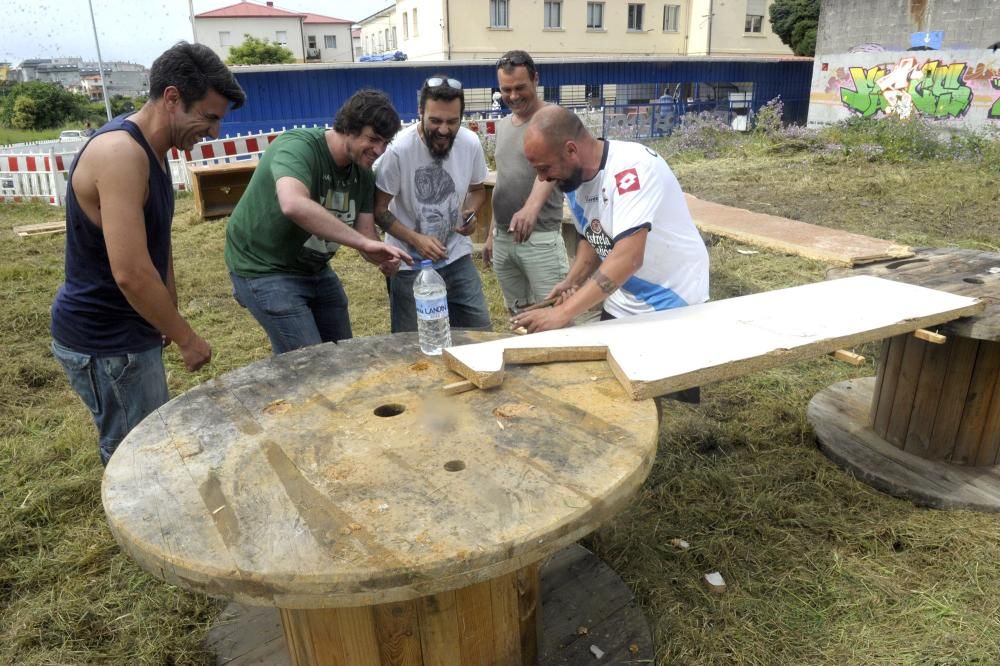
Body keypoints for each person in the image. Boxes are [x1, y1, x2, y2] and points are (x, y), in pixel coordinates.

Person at [50, 42, 246, 466]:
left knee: (153, 444)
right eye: (209, 117)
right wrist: (186, 338)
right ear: (172, 98)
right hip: (105, 341)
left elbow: (157, 246)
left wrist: (166, 312)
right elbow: (132, 273)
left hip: (130, 332)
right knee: (134, 458)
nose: (214, 132)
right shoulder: (120, 154)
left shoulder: (154, 153)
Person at [512, 105, 709, 403]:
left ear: (571, 150)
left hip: (671, 295)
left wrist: (561, 314)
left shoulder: (633, 170)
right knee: (611, 379)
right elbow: (594, 237)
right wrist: (572, 280)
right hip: (626, 290)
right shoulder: (574, 180)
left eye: (545, 169)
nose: (542, 180)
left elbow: (628, 258)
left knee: (648, 386)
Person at [225, 90, 412, 354]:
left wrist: (382, 256)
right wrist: (362, 242)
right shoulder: (299, 147)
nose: (379, 150)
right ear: (348, 127)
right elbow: (293, 204)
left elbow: (366, 234)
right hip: (263, 267)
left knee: (341, 355)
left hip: (314, 269)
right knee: (309, 363)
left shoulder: (363, 174)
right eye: (373, 139)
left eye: (385, 142)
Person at [374, 75, 492, 333]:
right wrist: (416, 239)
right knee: (410, 344)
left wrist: (470, 213)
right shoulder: (398, 150)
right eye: (435, 121)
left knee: (479, 334)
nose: (443, 130)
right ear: (420, 112)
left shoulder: (470, 142)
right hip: (407, 264)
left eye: (452, 122)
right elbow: (379, 210)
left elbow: (477, 190)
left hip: (456, 256)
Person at [483, 50, 569, 314]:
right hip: (503, 238)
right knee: (519, 315)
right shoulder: (504, 125)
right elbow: (504, 179)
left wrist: (531, 208)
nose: (513, 96)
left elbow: (553, 169)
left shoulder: (553, 118)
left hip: (540, 237)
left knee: (555, 313)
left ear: (536, 80)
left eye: (520, 87)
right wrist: (491, 234)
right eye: (505, 90)